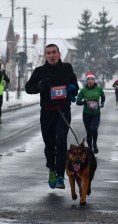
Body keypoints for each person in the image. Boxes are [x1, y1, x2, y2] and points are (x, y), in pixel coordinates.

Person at [25, 43, 79, 190]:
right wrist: (40, 86)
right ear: (45, 56)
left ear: (59, 54)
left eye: (54, 52)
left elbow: (75, 85)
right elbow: (28, 88)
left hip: (63, 111)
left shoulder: (67, 68)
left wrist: (73, 89)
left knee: (61, 142)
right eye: (48, 53)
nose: (51, 55)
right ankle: (52, 169)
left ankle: (61, 176)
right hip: (47, 112)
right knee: (50, 145)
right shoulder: (40, 71)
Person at [76, 71, 105, 154]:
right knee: (88, 132)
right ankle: (89, 148)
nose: (90, 81)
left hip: (96, 114)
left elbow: (103, 96)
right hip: (86, 114)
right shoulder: (83, 90)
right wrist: (84, 102)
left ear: (94, 80)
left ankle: (94, 144)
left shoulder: (99, 89)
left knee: (94, 129)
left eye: (92, 79)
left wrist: (102, 103)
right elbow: (78, 102)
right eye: (88, 79)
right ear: (86, 80)